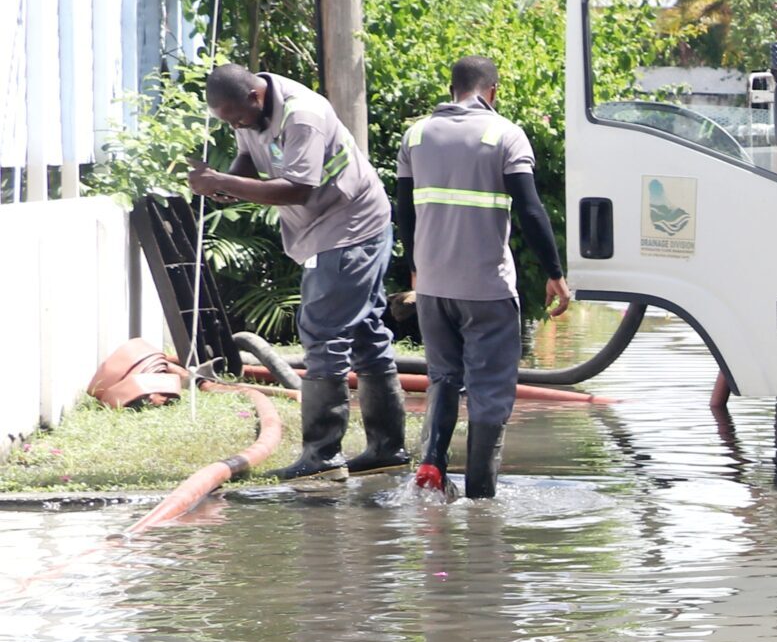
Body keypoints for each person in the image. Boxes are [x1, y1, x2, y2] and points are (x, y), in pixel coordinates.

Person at [188, 63, 406, 481]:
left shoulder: (301, 113)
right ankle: (387, 449)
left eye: (235, 118)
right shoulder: (248, 111)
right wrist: (219, 185)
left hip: (350, 226)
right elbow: (248, 158)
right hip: (325, 227)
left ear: (255, 96)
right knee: (363, 332)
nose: (235, 125)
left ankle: (323, 456)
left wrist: (223, 182)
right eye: (227, 121)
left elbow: (297, 189)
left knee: (323, 333)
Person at [392, 56, 572, 499]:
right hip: (487, 290)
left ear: (453, 88)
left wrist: (417, 270)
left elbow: (404, 212)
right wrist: (555, 274)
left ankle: (432, 466)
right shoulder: (504, 134)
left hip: (432, 288)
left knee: (443, 378)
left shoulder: (415, 135)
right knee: (490, 391)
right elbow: (530, 210)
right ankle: (480, 497)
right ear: (491, 91)